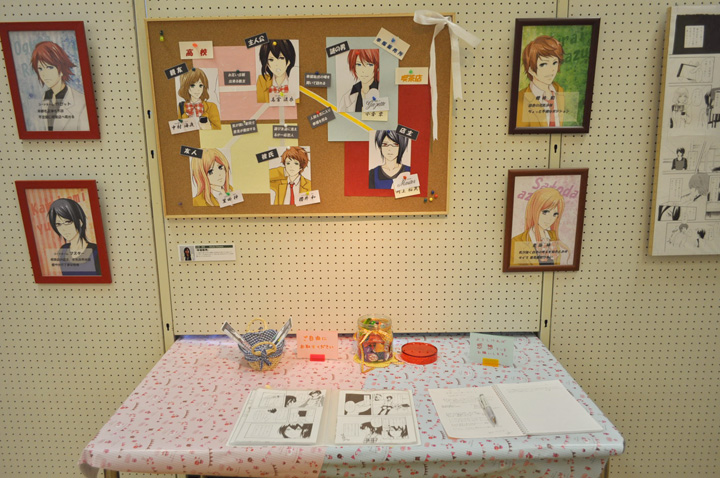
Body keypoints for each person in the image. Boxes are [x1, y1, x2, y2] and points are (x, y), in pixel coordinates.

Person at [31, 41, 89, 132]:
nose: (44, 74)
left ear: (61, 69)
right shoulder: (46, 97)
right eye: (40, 69)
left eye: (50, 67)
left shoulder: (82, 102)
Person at [510, 187, 571, 266]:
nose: (550, 219)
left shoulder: (553, 236)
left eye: (555, 214)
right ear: (534, 210)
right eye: (545, 212)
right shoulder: (517, 241)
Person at [516, 35, 565, 128]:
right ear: (530, 69)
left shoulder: (559, 90)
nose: (551, 70)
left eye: (554, 63)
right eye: (543, 64)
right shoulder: (520, 99)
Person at [47, 198, 100, 276]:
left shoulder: (96, 252)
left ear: (80, 222)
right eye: (58, 224)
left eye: (68, 222)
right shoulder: (63, 251)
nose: (63, 229)